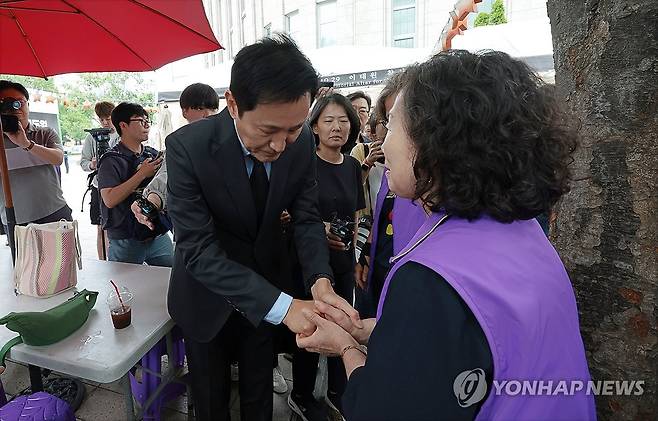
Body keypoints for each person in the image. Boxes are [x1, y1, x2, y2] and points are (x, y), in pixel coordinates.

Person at [297, 50, 596, 421]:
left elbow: (382, 409)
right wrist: (369, 330)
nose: (383, 142)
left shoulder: (432, 278)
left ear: (436, 142)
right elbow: (467, 345)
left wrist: (345, 347)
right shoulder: (525, 234)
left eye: (392, 125)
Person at [165, 35, 360, 421]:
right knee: (210, 402)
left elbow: (306, 217)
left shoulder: (301, 141)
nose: (281, 145)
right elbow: (199, 251)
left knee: (259, 398)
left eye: (293, 129)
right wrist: (285, 307)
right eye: (268, 130)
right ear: (233, 103)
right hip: (206, 298)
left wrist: (320, 280)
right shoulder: (188, 147)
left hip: (267, 292)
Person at [288, 94, 365, 420]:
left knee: (344, 325)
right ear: (315, 127)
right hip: (309, 265)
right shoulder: (304, 165)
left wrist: (357, 251)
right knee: (311, 328)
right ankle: (302, 395)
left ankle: (337, 390)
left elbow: (358, 214)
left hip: (344, 262)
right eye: (329, 121)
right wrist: (325, 229)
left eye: (344, 120)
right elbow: (292, 215)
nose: (337, 127)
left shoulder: (352, 165)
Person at [131, 82, 219, 228]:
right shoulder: (180, 144)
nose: (207, 114)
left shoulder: (228, 139)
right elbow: (167, 175)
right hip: (195, 230)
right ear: (185, 112)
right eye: (199, 108)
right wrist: (151, 201)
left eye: (213, 108)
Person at [97, 102, 172, 267]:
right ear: (123, 125)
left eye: (148, 121)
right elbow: (109, 199)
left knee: (172, 279)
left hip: (156, 233)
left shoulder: (152, 154)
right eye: (141, 121)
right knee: (124, 288)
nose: (146, 125)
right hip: (125, 239)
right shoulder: (111, 160)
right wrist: (141, 174)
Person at [0, 80, 71, 231]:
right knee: (24, 256)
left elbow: (58, 159)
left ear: (28, 104)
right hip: (16, 221)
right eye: (6, 103)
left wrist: (27, 144)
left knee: (63, 256)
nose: (15, 108)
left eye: (19, 102)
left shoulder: (45, 133)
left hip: (55, 212)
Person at [80, 101, 120, 259]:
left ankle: (118, 261)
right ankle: (103, 262)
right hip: (98, 187)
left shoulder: (122, 134)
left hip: (119, 187)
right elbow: (83, 162)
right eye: (101, 119)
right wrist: (92, 164)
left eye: (108, 118)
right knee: (101, 228)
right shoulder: (92, 137)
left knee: (117, 227)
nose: (105, 122)